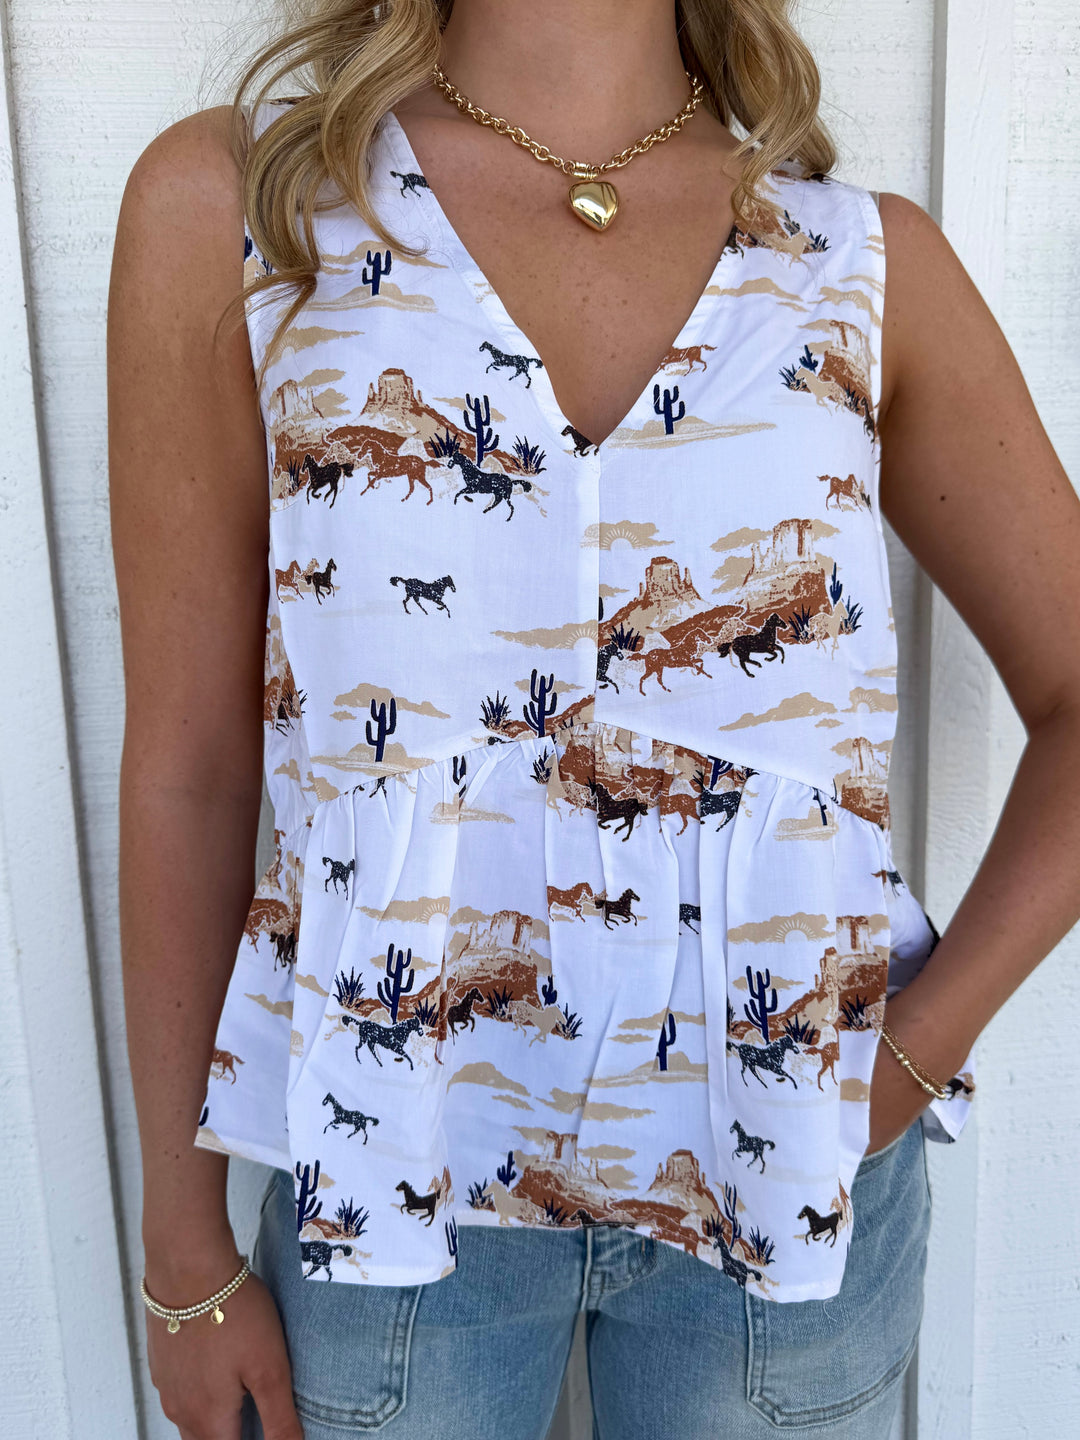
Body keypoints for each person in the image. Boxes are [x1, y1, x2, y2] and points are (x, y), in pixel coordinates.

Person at [107, 2, 1080, 1437]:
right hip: (396, 1190)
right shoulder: (249, 210)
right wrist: (184, 1251)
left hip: (792, 1177)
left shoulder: (859, 265)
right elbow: (188, 769)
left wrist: (904, 1064)